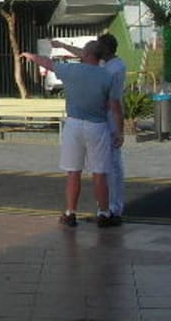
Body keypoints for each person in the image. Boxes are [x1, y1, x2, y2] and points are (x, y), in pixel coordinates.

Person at [21, 40, 123, 228]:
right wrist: (119, 132)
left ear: (86, 54)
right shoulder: (107, 76)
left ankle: (70, 213)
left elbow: (47, 63)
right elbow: (115, 108)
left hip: (74, 124)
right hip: (97, 126)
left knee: (73, 172)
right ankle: (104, 213)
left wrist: (30, 56)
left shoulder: (72, 70)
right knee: (99, 173)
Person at [53, 34, 127, 224]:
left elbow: (115, 104)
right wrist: (62, 45)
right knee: (102, 169)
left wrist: (119, 130)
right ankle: (105, 210)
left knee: (108, 168)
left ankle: (113, 209)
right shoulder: (106, 65)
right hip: (101, 119)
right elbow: (85, 54)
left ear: (105, 50)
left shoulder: (114, 69)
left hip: (105, 119)